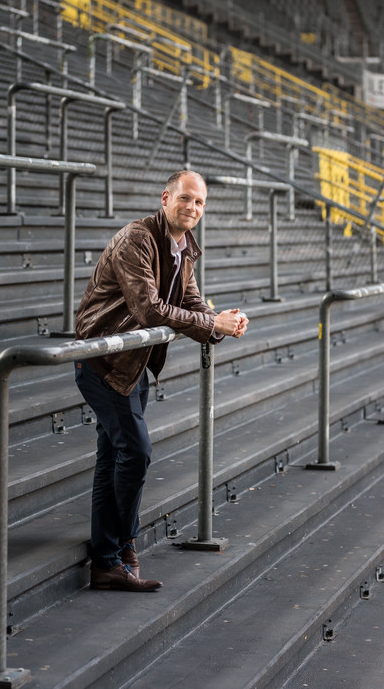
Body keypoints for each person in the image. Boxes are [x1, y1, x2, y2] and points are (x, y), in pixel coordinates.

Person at [74, 170, 248, 592]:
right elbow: (148, 309)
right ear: (166, 197)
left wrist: (222, 324)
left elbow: (189, 300)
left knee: (112, 458)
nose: (192, 208)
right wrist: (213, 322)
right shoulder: (137, 238)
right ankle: (122, 546)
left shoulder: (183, 246)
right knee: (135, 452)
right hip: (102, 362)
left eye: (200, 203)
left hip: (134, 365)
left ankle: (108, 557)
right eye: (185, 199)